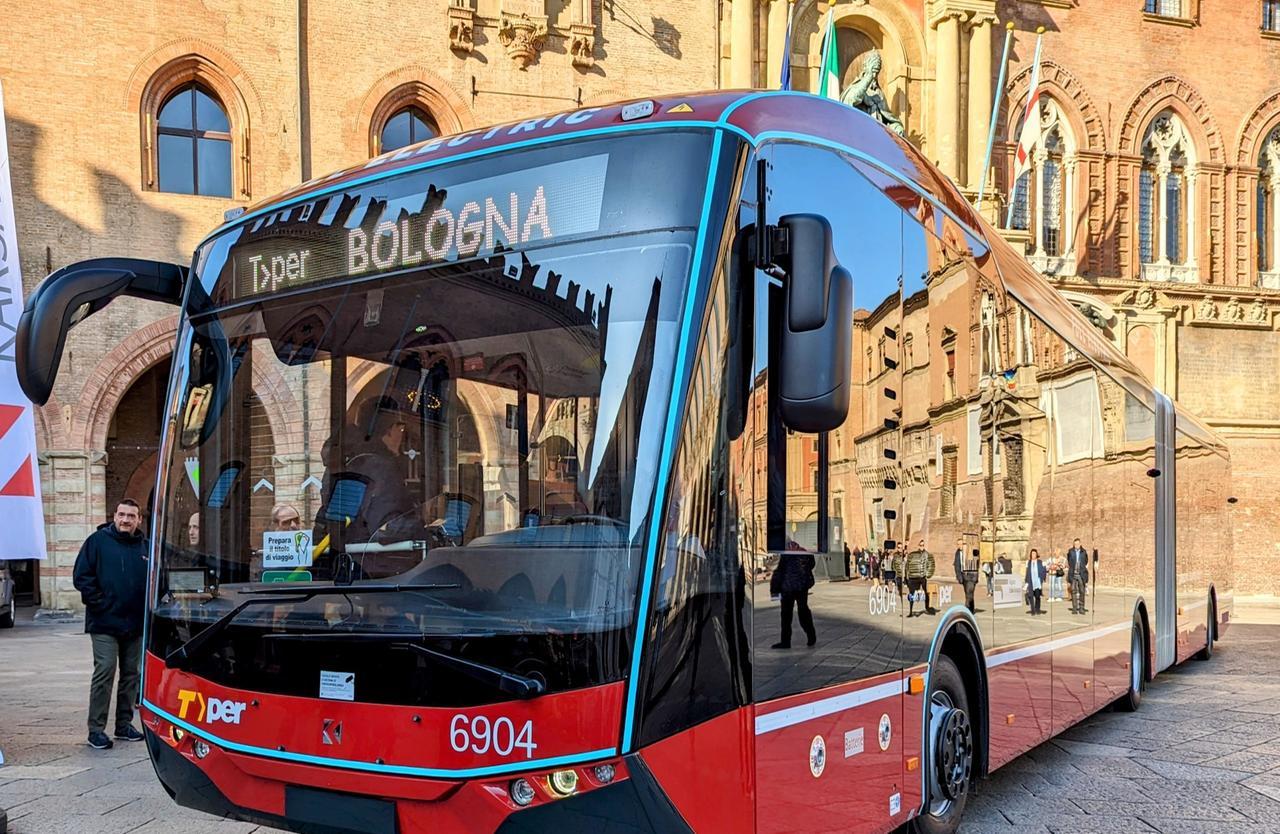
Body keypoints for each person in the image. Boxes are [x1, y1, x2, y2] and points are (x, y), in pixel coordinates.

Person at [72, 499, 148, 750]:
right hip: (104, 622)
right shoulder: (97, 542)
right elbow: (82, 576)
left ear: (139, 519)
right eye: (122, 514)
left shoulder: (145, 547)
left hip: (135, 623)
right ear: (114, 516)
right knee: (105, 671)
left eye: (131, 516)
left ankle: (124, 725)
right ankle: (96, 729)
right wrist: (100, 604)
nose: (126, 520)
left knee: (131, 675)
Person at [770, 541, 817, 649]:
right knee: (803, 611)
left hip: (787, 588)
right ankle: (811, 635)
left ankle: (785, 642)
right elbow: (811, 565)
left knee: (786, 616)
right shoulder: (804, 553)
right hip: (801, 587)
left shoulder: (784, 555)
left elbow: (778, 571)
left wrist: (774, 590)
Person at [905, 539, 935, 617]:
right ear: (918, 546)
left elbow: (931, 564)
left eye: (923, 545)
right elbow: (907, 566)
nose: (922, 547)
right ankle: (910, 611)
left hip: (922, 577)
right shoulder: (912, 555)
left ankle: (927, 607)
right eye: (921, 545)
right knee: (912, 594)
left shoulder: (927, 554)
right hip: (914, 577)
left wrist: (927, 574)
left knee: (925, 593)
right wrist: (906, 578)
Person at [1067, 538, 1090, 615]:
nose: (1076, 545)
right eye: (1075, 544)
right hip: (1073, 574)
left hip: (1081, 574)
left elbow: (1086, 561)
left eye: (1077, 544)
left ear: (1080, 544)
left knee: (1082, 591)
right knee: (1073, 591)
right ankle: (1074, 608)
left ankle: (1081, 608)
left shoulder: (1083, 552)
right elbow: (1069, 561)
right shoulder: (1071, 551)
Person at [1025, 548, 1048, 616]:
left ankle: (1037, 609)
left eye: (1034, 554)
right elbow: (1027, 572)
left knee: (1037, 596)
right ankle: (1033, 610)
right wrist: (1026, 581)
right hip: (1031, 580)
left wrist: (1043, 578)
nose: (1033, 555)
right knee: (1031, 596)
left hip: (1037, 581)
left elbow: (1044, 570)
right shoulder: (1028, 562)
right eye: (1032, 554)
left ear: (1036, 554)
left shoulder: (1040, 562)